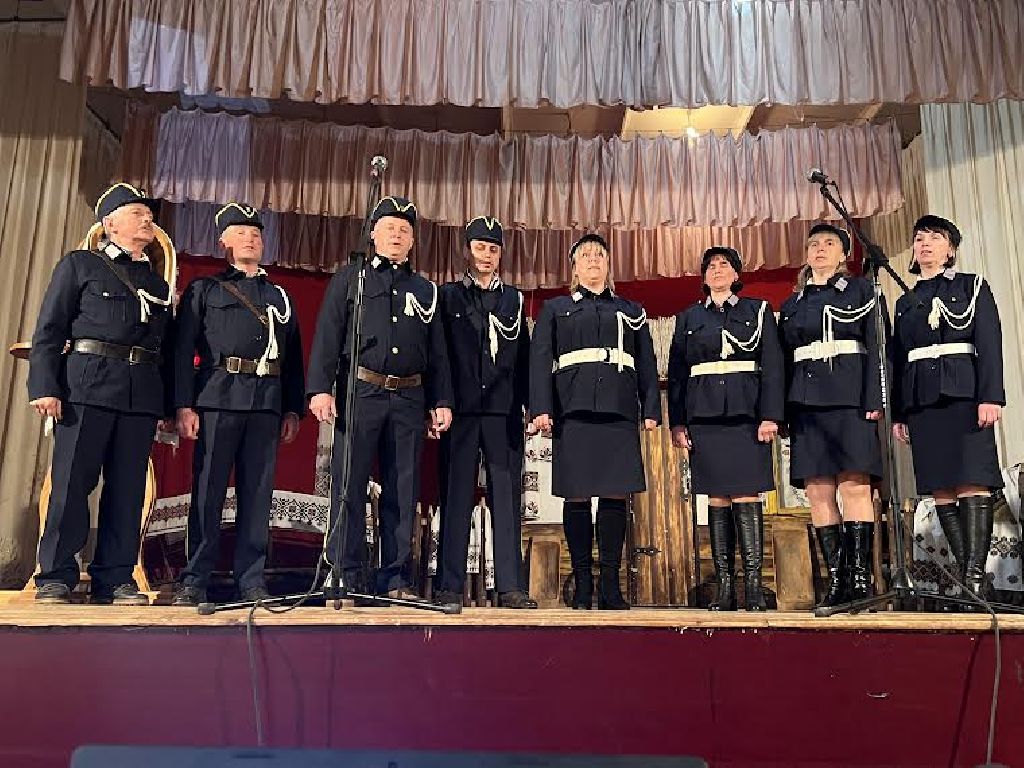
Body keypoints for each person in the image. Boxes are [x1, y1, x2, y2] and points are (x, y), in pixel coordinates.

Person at [28, 183, 174, 605]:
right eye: (137, 213)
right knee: (71, 484)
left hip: (140, 394)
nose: (147, 219)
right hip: (86, 388)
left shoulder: (158, 284)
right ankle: (56, 575)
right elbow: (50, 330)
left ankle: (115, 577)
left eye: (149, 214)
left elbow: (166, 349)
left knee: (127, 491)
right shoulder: (81, 265)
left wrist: (167, 406)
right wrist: (45, 386)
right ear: (110, 224)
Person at [307, 196, 452, 600]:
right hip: (362, 392)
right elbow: (328, 334)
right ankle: (344, 572)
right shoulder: (351, 279)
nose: (397, 235)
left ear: (413, 241)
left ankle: (394, 578)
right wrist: (320, 388)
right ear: (373, 234)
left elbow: (438, 352)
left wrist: (441, 400)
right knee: (349, 485)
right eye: (389, 228)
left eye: (404, 230)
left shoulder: (425, 290)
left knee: (402, 489)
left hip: (409, 397)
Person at [171, 204, 305, 606]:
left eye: (256, 234)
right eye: (241, 232)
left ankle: (251, 580)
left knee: (257, 495)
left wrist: (291, 408)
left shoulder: (279, 296)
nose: (251, 239)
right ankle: (195, 579)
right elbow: (182, 351)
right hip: (218, 398)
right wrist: (183, 405)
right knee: (208, 492)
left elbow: (293, 358)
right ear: (223, 241)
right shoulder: (205, 290)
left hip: (265, 403)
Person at [530, 234, 659, 610]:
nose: (592, 260)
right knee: (577, 494)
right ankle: (583, 583)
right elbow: (540, 361)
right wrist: (541, 408)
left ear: (607, 264)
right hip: (574, 409)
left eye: (599, 254)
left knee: (615, 493)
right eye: (585, 255)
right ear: (574, 267)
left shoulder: (631, 310)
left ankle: (610, 586)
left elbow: (646, 361)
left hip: (618, 410)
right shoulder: (556, 309)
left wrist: (651, 407)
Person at [891, 215, 1004, 610]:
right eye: (919, 237)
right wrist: (900, 413)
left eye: (935, 237)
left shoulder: (973, 286)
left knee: (972, 481)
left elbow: (989, 342)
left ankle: (973, 579)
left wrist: (991, 396)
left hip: (965, 395)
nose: (924, 243)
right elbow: (898, 360)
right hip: (922, 402)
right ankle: (972, 582)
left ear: (951, 248)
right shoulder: (905, 302)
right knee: (941, 487)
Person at [667, 246, 784, 611]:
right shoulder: (688, 318)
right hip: (705, 417)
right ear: (704, 277)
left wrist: (770, 415)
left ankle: (753, 586)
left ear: (736, 274)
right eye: (711, 266)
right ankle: (724, 587)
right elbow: (678, 374)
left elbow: (773, 366)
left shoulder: (758, 311)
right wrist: (678, 422)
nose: (717, 270)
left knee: (747, 495)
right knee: (716, 497)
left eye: (724, 265)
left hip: (747, 416)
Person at [778, 223, 884, 607]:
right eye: (813, 244)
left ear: (844, 254)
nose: (819, 249)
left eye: (829, 243)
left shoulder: (862, 291)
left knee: (854, 486)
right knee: (818, 491)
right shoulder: (792, 304)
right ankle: (838, 581)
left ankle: (860, 580)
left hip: (850, 399)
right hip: (806, 405)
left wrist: (875, 398)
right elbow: (781, 363)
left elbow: (876, 345)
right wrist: (782, 412)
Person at [434, 216, 536, 609]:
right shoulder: (448, 297)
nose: (487, 255)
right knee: (456, 497)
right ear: (466, 251)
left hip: (502, 412)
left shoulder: (514, 300)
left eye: (493, 249)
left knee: (506, 500)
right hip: (461, 411)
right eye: (480, 247)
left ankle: (510, 587)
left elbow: (523, 356)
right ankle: (449, 586)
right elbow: (440, 356)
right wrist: (439, 402)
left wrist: (530, 405)